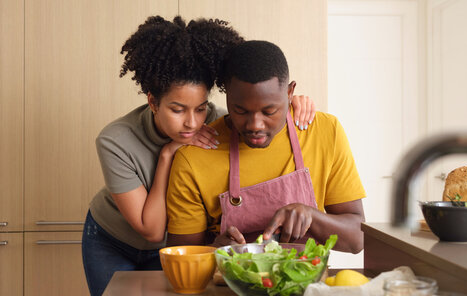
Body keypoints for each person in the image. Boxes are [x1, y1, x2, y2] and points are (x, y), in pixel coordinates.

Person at [82, 17, 315, 296]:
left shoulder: (218, 123)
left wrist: (294, 102)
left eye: (201, 108)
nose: (192, 123)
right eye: (178, 110)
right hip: (113, 241)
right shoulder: (116, 140)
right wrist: (169, 153)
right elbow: (152, 230)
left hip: (179, 245)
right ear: (153, 102)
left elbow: (260, 112)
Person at [166, 40, 366, 253]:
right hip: (228, 285)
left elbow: (358, 241)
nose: (255, 125)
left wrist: (312, 217)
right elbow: (181, 256)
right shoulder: (193, 158)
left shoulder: (325, 131)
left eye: (269, 111)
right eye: (240, 111)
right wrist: (215, 250)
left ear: (290, 93)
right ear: (227, 95)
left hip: (307, 285)